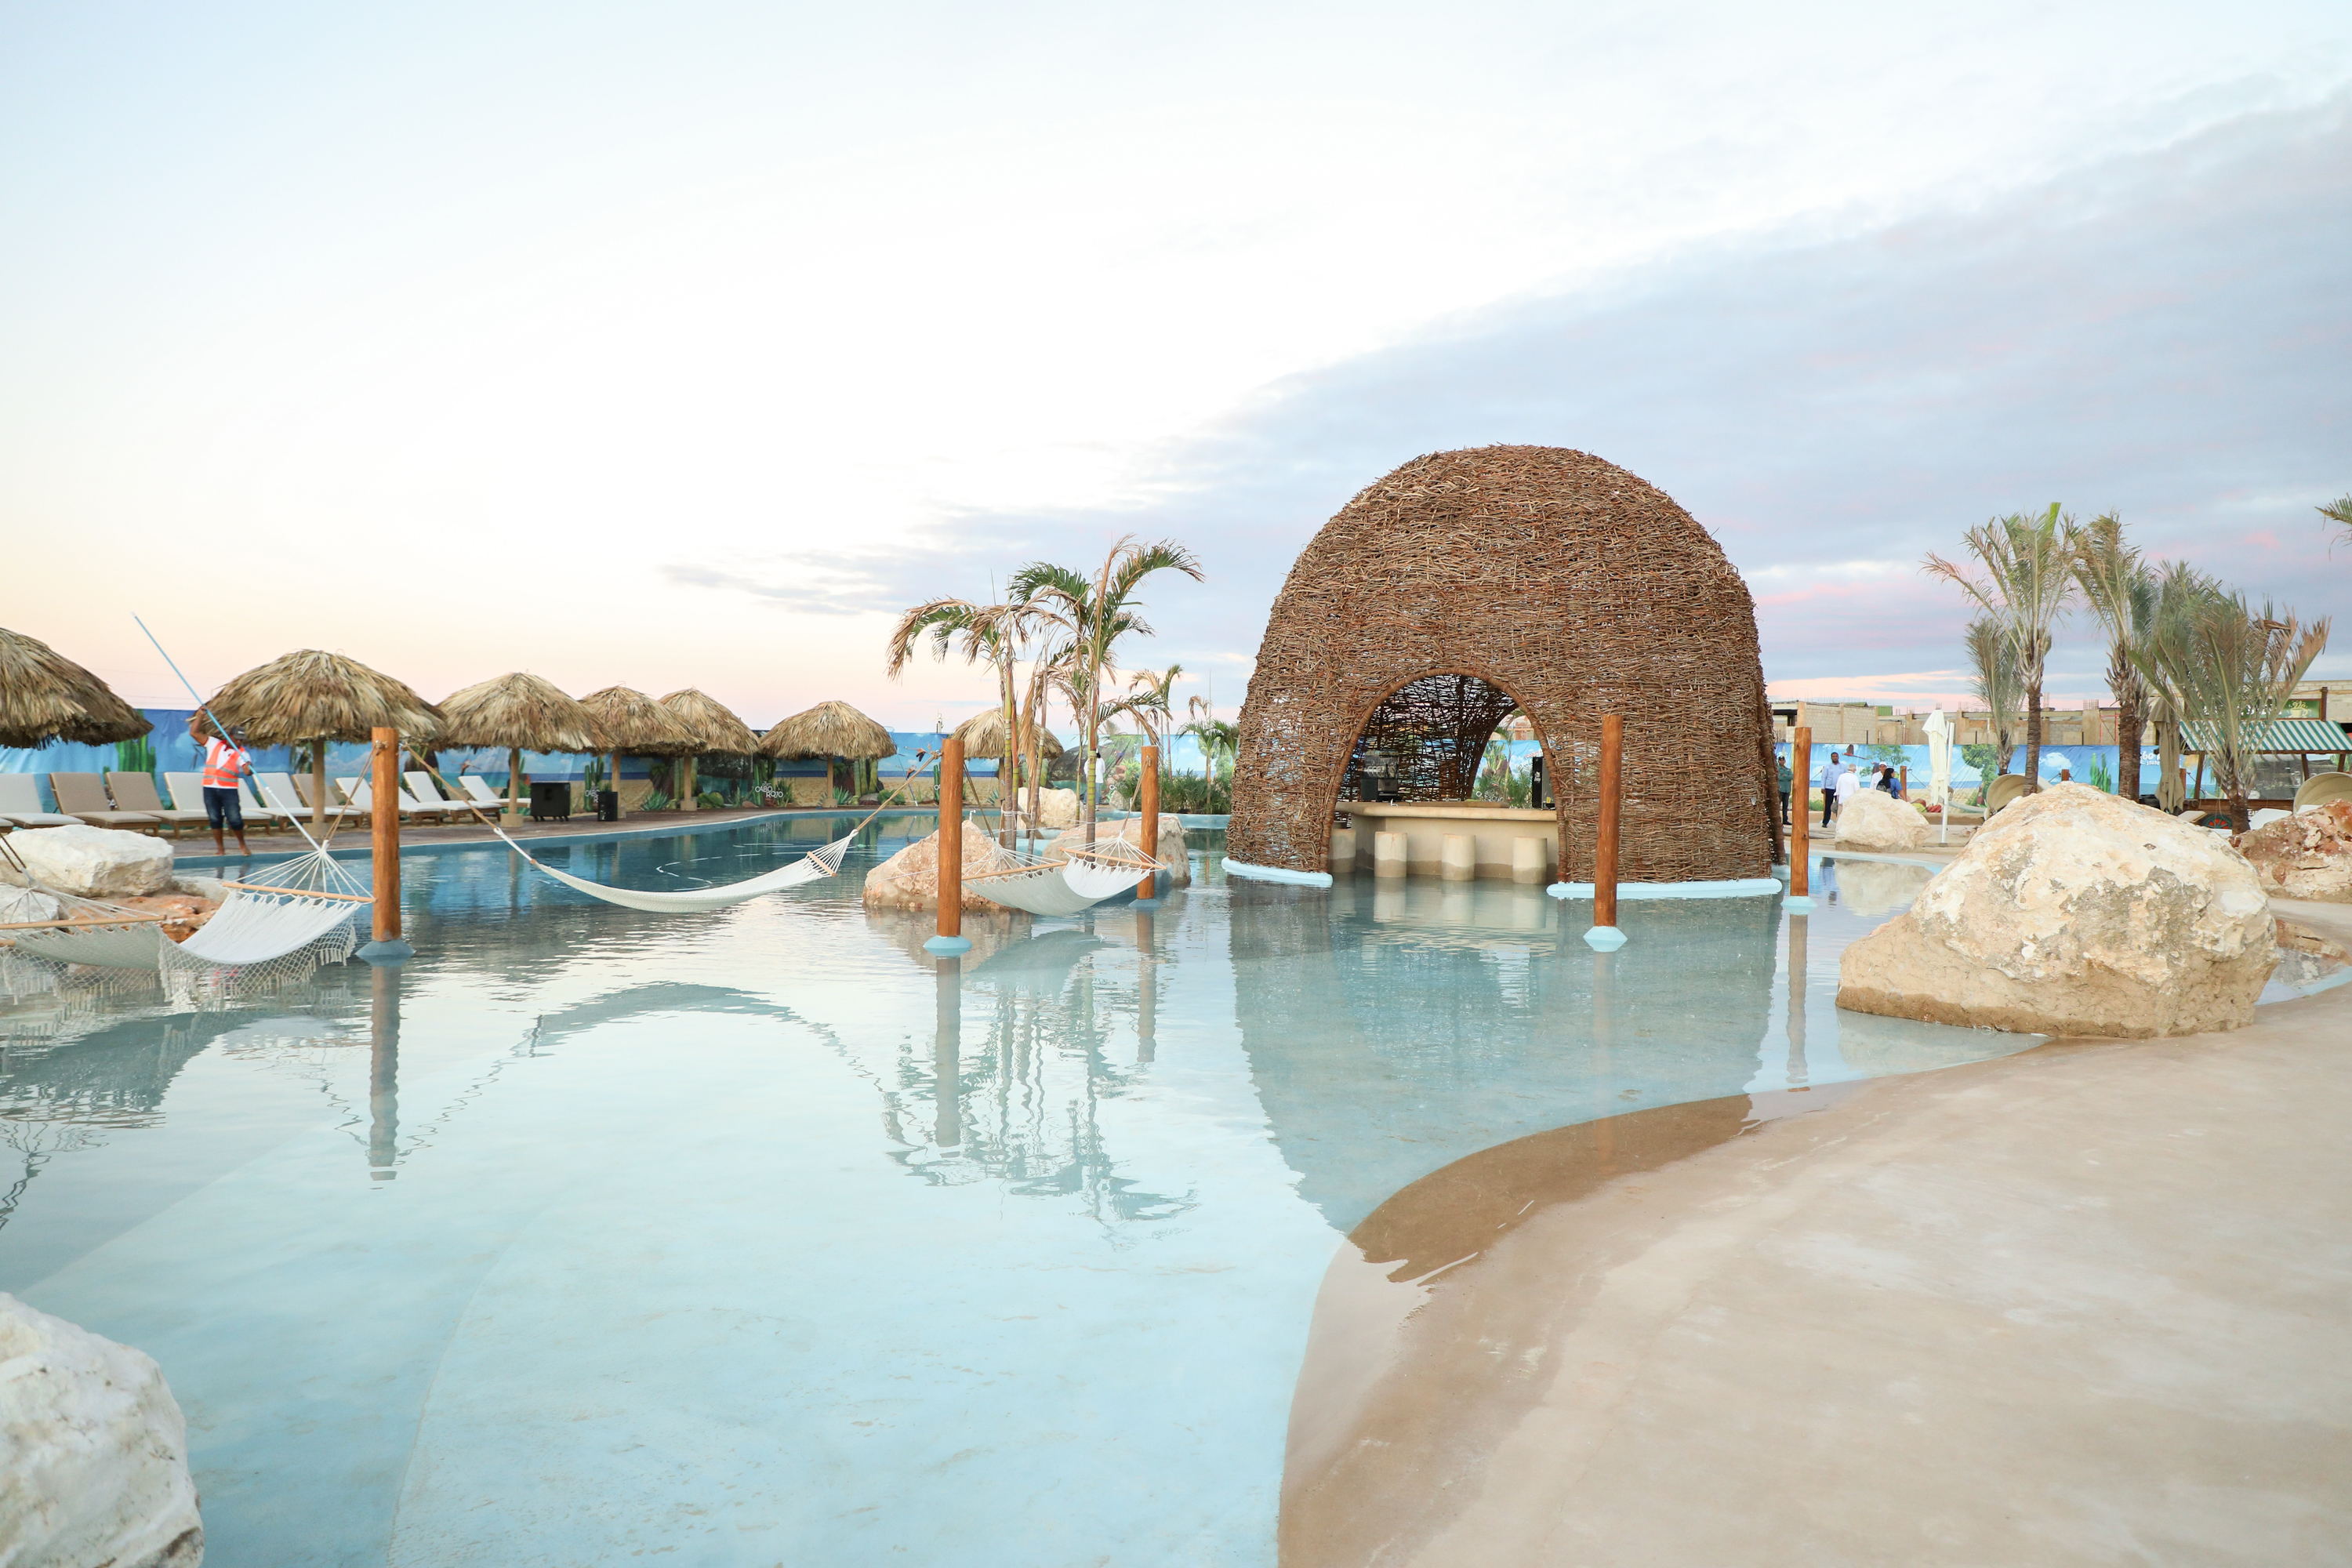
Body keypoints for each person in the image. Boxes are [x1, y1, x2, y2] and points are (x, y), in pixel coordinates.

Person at [191, 714, 252, 857]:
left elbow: (247, 771)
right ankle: (220, 848)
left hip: (229, 790)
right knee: (215, 819)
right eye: (236, 739)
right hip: (210, 788)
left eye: (241, 740)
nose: (238, 742)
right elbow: (194, 733)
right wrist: (200, 716)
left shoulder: (243, 753)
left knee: (235, 819)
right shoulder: (213, 743)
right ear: (229, 736)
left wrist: (248, 768)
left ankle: (242, 845)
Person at [1820, 751, 1845, 827]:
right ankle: (1825, 822)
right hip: (1829, 788)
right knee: (1828, 806)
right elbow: (1824, 777)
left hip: (1839, 789)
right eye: (1833, 757)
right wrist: (1823, 787)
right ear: (1831, 758)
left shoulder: (1843, 767)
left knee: (1839, 806)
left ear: (1838, 757)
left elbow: (1845, 777)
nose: (1835, 758)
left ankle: (1840, 823)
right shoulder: (1827, 767)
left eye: (1836, 756)